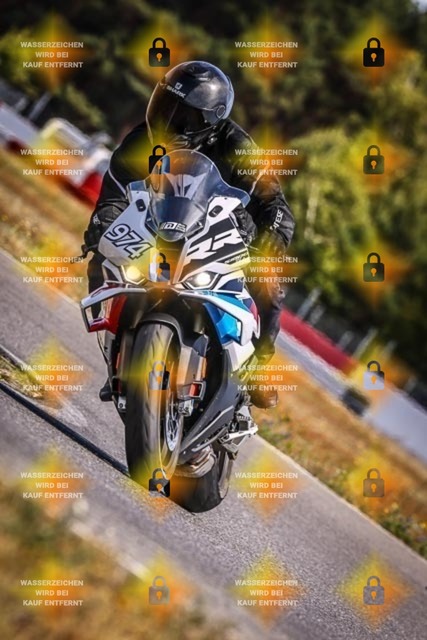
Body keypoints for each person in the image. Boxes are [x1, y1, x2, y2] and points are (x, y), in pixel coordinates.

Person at [84, 61, 295, 408]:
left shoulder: (238, 148)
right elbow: (113, 195)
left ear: (211, 121)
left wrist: (268, 239)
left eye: (183, 117)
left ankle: (258, 366)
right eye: (164, 108)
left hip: (225, 232)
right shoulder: (141, 142)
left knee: (268, 277)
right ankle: (117, 349)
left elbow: (275, 204)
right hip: (158, 228)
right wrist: (102, 225)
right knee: (102, 257)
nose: (168, 123)